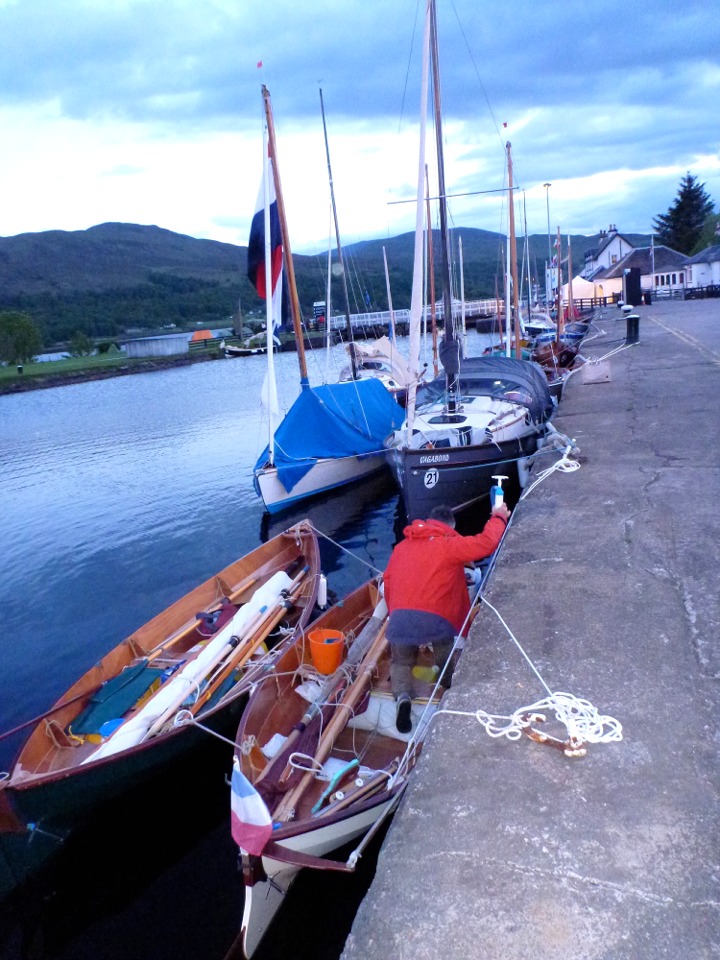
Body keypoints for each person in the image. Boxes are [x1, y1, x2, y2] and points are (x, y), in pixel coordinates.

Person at [383, 501, 511, 734]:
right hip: (435, 620)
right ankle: (447, 683)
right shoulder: (448, 545)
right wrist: (499, 516)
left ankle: (402, 697)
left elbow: (388, 583)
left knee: (401, 661)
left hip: (400, 618)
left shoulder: (401, 547)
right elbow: (486, 543)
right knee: (443, 650)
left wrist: (395, 615)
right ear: (450, 526)